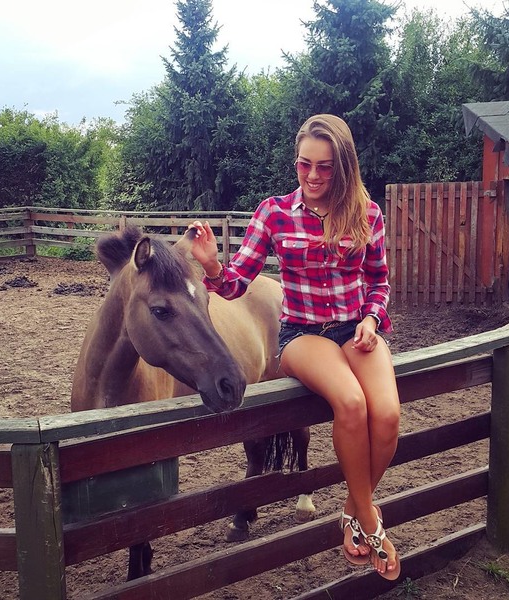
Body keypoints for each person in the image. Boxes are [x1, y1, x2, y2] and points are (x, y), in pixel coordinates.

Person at [189, 113, 401, 580]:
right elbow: (235, 284)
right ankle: (370, 524)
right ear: (296, 162)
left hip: (356, 330)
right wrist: (212, 266)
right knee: (351, 404)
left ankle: (353, 510)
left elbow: (380, 282)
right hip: (303, 335)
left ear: (343, 166)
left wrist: (371, 318)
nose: (313, 175)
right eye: (305, 164)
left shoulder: (367, 213)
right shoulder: (274, 212)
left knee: (387, 416)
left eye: (325, 166)